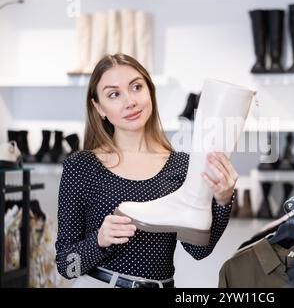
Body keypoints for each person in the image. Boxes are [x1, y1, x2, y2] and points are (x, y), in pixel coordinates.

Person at [55, 53, 237, 288]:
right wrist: (99, 241)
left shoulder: (182, 166)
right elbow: (66, 266)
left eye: (136, 87)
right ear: (99, 107)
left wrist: (223, 200)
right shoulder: (82, 167)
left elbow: (198, 250)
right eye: (114, 94)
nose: (130, 101)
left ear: (150, 91)